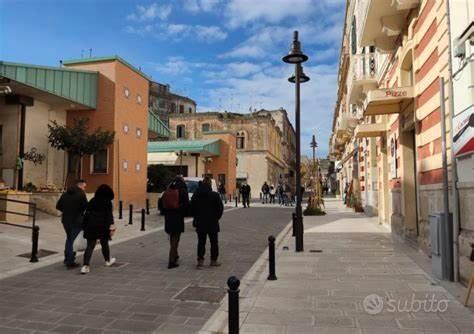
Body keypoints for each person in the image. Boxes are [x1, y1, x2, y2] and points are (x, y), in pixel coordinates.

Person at [80, 184, 116, 274]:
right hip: (103, 226)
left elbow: (86, 213)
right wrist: (111, 227)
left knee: (90, 246)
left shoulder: (92, 200)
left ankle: (85, 266)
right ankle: (107, 261)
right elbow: (109, 216)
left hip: (91, 225)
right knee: (104, 244)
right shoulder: (108, 202)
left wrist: (84, 226)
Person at [191, 176, 224, 267]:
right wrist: (216, 217)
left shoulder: (196, 195)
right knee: (214, 242)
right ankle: (213, 260)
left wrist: (196, 217)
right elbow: (220, 209)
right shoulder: (214, 195)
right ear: (210, 184)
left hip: (200, 222)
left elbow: (191, 208)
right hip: (212, 222)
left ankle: (200, 260)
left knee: (201, 242)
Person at [158, 176, 189, 269]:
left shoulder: (169, 189)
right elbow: (186, 204)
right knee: (175, 239)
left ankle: (175, 255)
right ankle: (171, 261)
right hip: (178, 217)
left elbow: (162, 204)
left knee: (172, 237)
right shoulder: (183, 189)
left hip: (168, 217)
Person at [56, 179, 88, 268]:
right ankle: (70, 261)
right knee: (73, 241)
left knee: (69, 239)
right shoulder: (81, 194)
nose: (84, 189)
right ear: (80, 185)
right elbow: (86, 206)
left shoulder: (65, 194)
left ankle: (67, 259)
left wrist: (66, 211)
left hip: (65, 220)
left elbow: (58, 206)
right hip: (76, 221)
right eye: (84, 187)